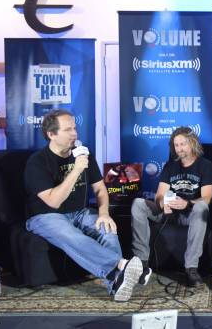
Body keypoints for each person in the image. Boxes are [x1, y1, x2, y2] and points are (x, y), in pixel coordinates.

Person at [24, 109, 151, 302]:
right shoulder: (37, 162)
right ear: (51, 134)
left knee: (107, 229)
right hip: (45, 215)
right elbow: (54, 201)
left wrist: (103, 213)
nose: (75, 134)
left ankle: (116, 283)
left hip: (80, 212)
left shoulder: (84, 155)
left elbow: (100, 190)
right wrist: (76, 170)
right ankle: (122, 265)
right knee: (70, 235)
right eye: (68, 130)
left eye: (75, 128)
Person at [131, 127, 212, 287]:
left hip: (190, 214)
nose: (179, 149)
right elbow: (159, 195)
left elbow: (207, 197)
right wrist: (163, 203)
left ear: (192, 143)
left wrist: (187, 203)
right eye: (176, 145)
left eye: (182, 144)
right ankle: (141, 262)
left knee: (202, 207)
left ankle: (191, 268)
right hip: (169, 213)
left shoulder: (205, 165)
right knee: (138, 204)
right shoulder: (170, 166)